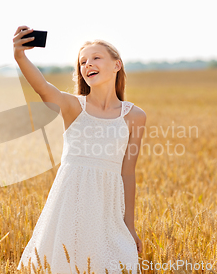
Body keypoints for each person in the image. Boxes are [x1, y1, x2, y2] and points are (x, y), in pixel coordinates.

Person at [13, 25, 146, 273]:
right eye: (82, 62)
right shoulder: (74, 106)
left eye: (96, 58)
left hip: (107, 209)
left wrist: (130, 226)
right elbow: (42, 87)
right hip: (69, 204)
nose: (88, 64)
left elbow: (128, 172)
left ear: (117, 65)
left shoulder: (135, 116)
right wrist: (20, 56)